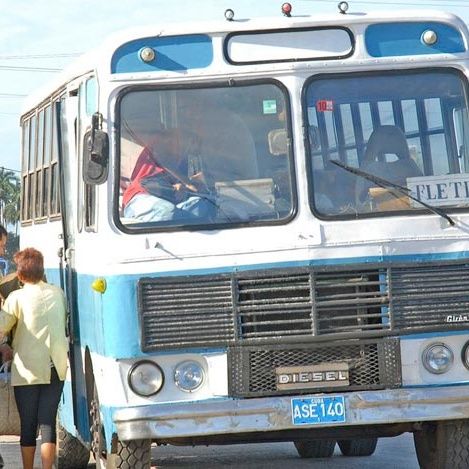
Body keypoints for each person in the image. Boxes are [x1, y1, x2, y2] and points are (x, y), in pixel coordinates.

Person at [0, 248, 68, 469]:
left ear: (19, 275)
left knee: (28, 425)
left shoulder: (16, 298)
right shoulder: (58, 293)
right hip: (56, 368)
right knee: (48, 422)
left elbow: (1, 327)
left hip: (28, 370)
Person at [122, 128, 213, 222]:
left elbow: (201, 189)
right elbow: (150, 183)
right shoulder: (156, 151)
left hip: (171, 204)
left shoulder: (187, 161)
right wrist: (178, 186)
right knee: (166, 212)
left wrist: (199, 185)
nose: (188, 144)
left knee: (203, 206)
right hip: (141, 197)